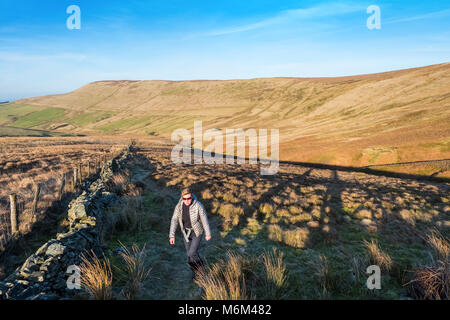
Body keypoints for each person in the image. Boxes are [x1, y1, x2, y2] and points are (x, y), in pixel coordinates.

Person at [169, 187, 211, 279]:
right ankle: (195, 271)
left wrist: (207, 233)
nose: (187, 201)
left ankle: (201, 271)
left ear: (192, 197)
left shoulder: (198, 205)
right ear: (182, 198)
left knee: (192, 253)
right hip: (186, 233)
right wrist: (172, 235)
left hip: (197, 232)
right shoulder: (179, 206)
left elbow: (204, 220)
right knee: (189, 257)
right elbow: (174, 220)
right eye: (185, 199)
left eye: (189, 198)